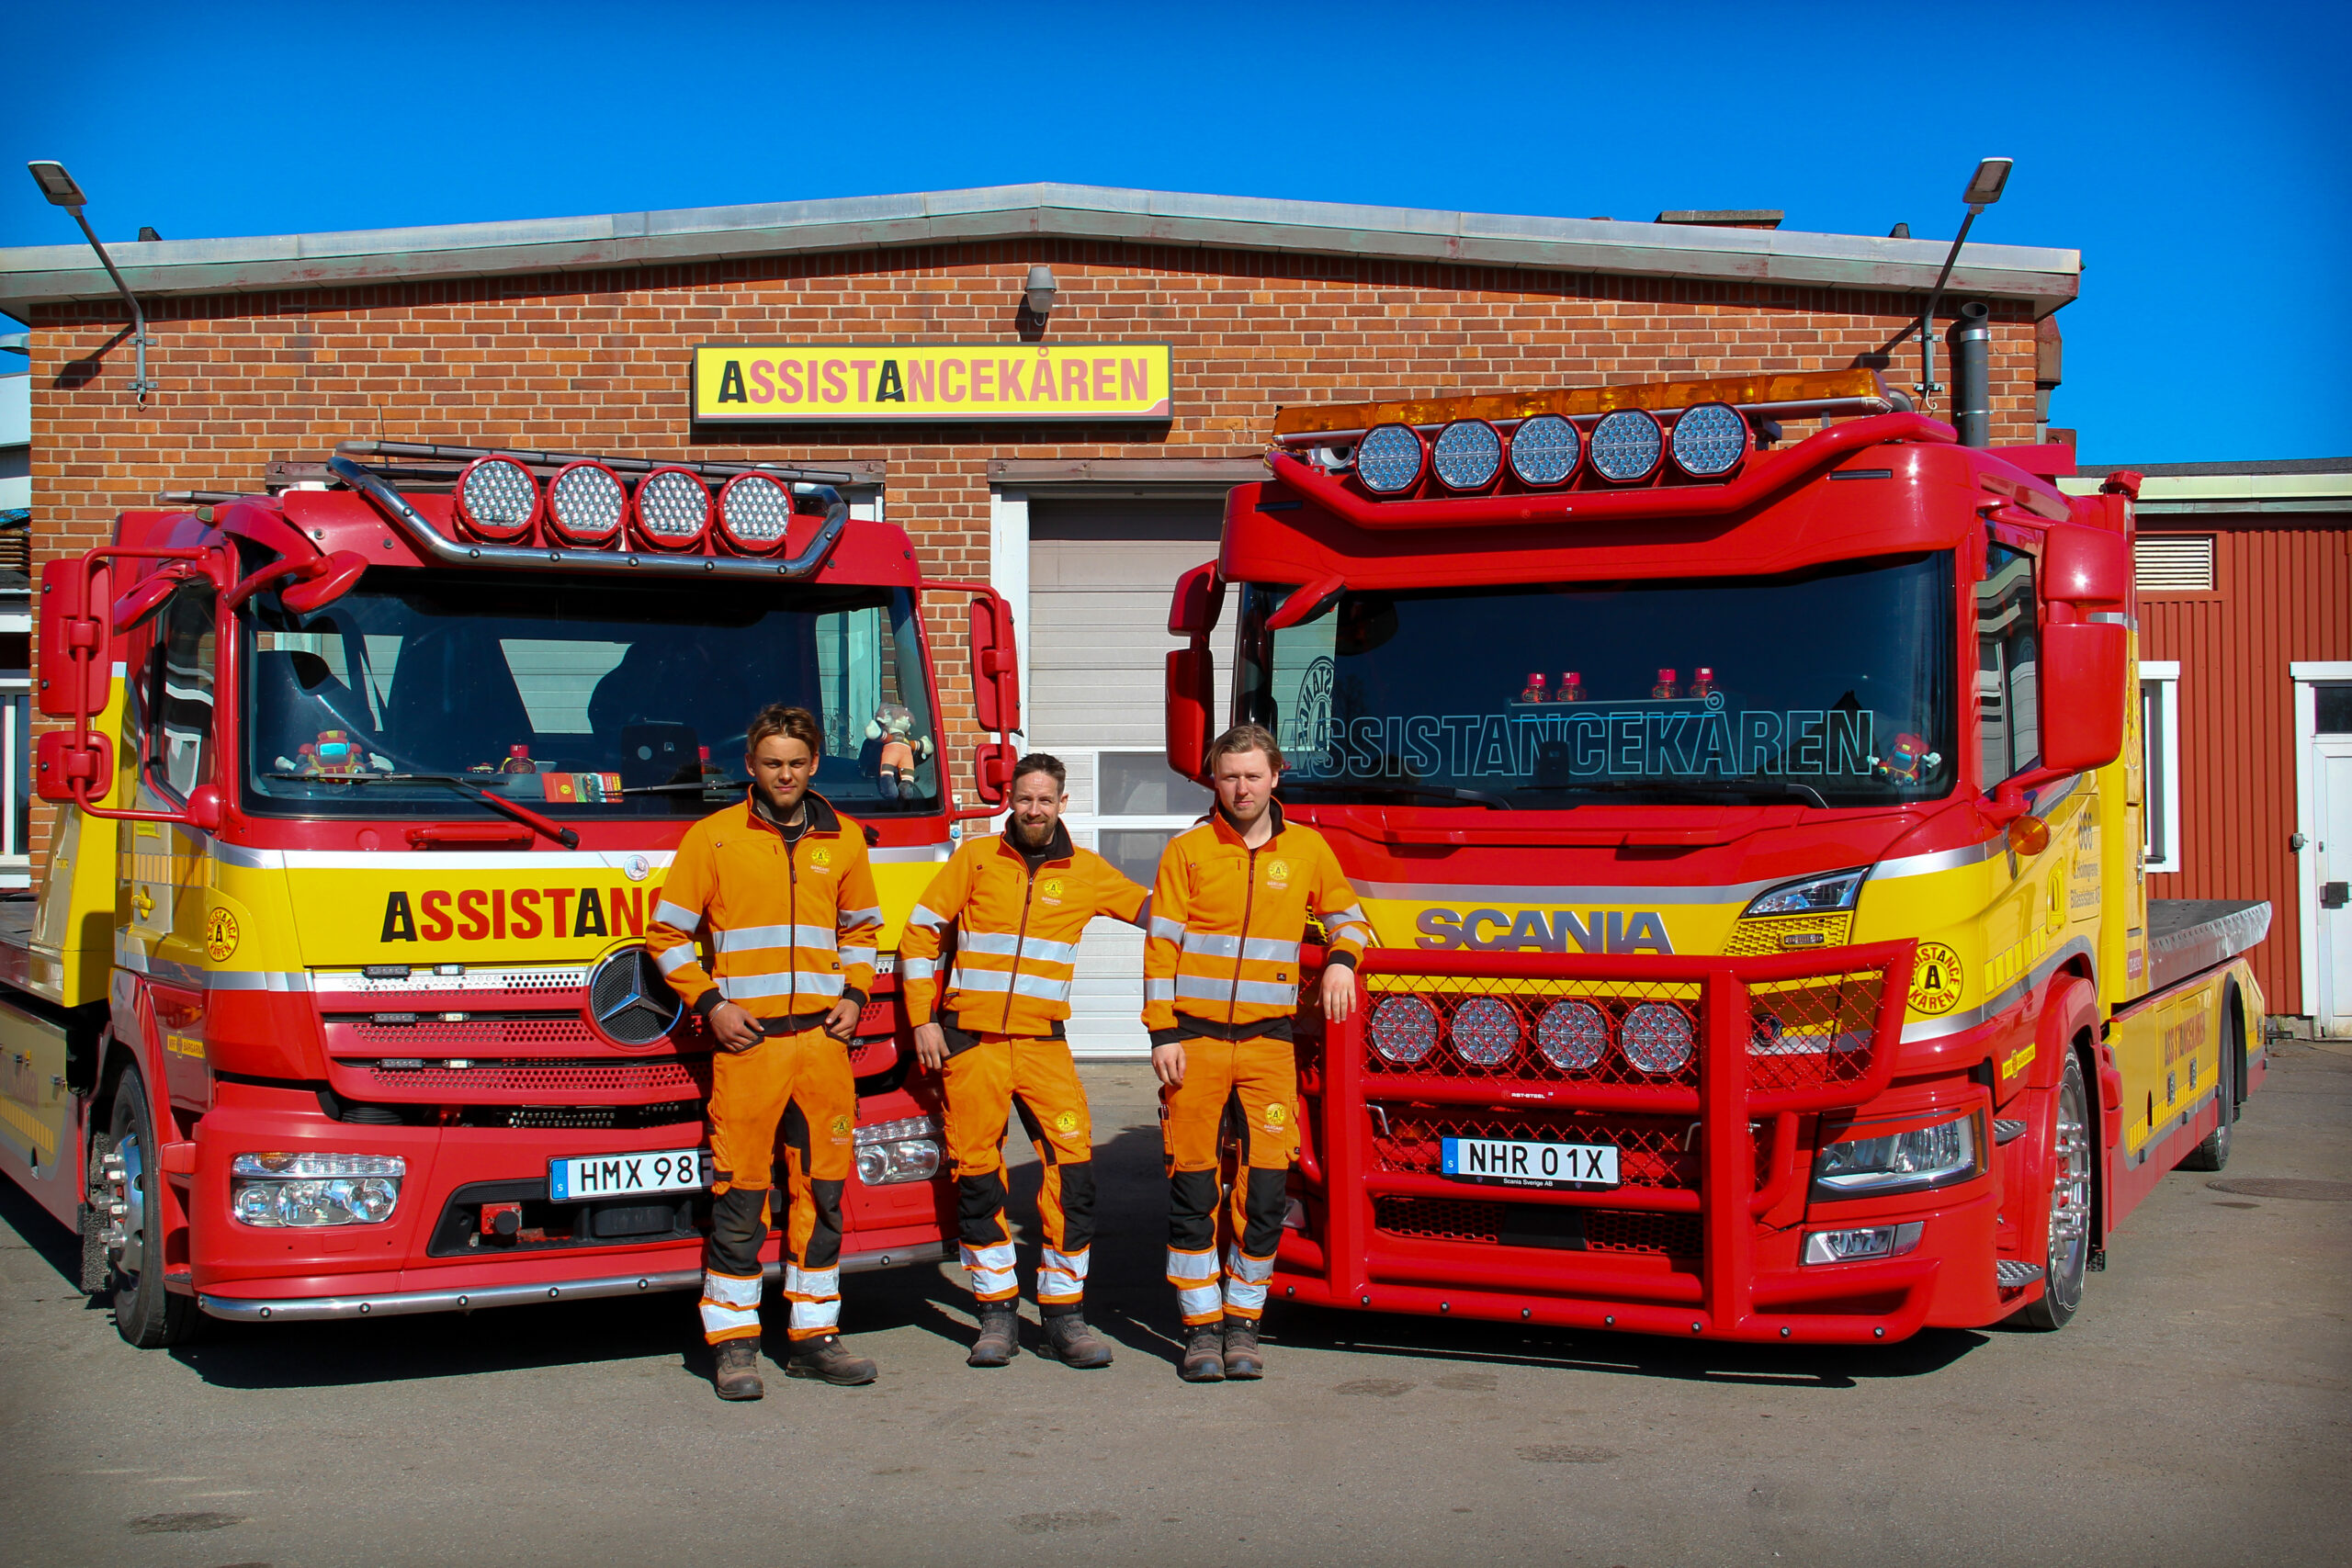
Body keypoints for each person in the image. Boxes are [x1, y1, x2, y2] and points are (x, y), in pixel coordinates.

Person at [647, 704, 884, 1401]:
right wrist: (711, 1004)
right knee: (741, 1197)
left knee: (823, 1193)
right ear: (750, 766)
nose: (785, 773)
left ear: (814, 766)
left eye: (797, 762)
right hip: (748, 1049)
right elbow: (665, 936)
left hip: (821, 1044)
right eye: (772, 762)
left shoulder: (841, 839)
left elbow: (863, 929)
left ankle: (815, 1337)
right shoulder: (713, 839)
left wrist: (855, 994)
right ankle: (734, 1345)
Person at [899, 753, 1149, 1370]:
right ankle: (996, 1313)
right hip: (972, 1043)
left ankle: (1064, 1315)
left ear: (1063, 803)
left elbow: (1160, 915)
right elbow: (919, 932)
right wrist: (923, 1019)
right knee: (979, 1178)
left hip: (1042, 1045)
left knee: (1075, 1172)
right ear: (1011, 798)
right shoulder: (975, 858)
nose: (1034, 809)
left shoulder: (1087, 871)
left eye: (1046, 799)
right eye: (1025, 798)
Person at [1144, 724, 1372, 1382]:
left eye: (1251, 775)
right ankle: (1199, 1328)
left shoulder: (1307, 850)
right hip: (1195, 1040)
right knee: (1191, 1187)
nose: (1240, 787)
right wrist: (1162, 1032)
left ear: (1277, 775)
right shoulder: (1186, 852)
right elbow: (1161, 949)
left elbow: (1349, 916)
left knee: (1267, 1188)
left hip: (1269, 1042)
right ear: (1213, 780)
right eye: (1228, 776)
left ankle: (1244, 1322)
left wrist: (1339, 962)